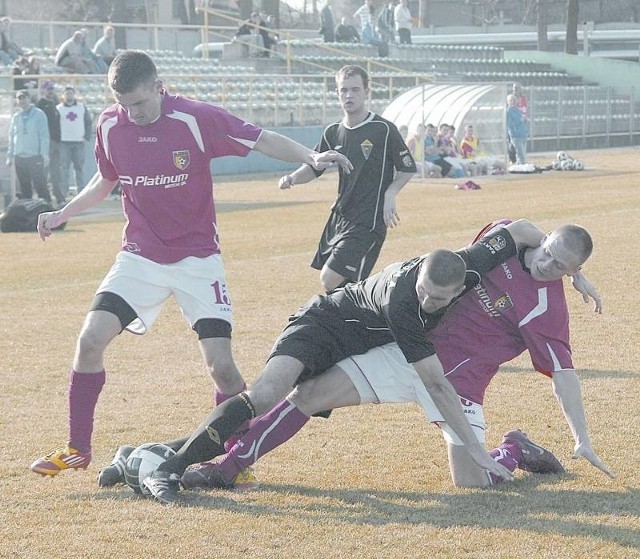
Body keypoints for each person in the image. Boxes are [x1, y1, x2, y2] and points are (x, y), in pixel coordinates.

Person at [29, 50, 351, 479]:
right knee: (90, 341)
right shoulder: (109, 124)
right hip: (140, 257)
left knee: (222, 367)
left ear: (158, 85)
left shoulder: (195, 118)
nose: (133, 113)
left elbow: (260, 137)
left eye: (140, 103)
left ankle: (235, 456)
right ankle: (77, 448)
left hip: (198, 260)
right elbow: (105, 179)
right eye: (124, 105)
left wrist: (311, 156)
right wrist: (60, 213)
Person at [174, 221, 612, 493]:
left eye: (560, 266)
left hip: (459, 384)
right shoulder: (505, 239)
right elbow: (522, 230)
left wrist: (583, 439)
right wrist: (576, 270)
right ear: (547, 239)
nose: (546, 265)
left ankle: (513, 451)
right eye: (548, 253)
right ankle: (226, 468)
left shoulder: (547, 307)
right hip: (407, 353)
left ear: (570, 272)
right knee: (309, 394)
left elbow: (564, 374)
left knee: (474, 480)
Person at [278, 65, 416, 293]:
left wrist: (390, 193)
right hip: (340, 216)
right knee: (342, 288)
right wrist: (292, 178)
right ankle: (362, 320)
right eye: (344, 90)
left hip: (369, 219)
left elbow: (407, 167)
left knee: (330, 278)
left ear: (366, 92)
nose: (349, 95)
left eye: (355, 89)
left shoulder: (383, 129)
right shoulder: (333, 132)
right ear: (337, 93)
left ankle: (368, 314)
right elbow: (314, 168)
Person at [6, 89, 50, 203]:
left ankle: (47, 209)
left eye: (24, 97)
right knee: (24, 188)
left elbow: (44, 135)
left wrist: (44, 154)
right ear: (16, 100)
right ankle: (28, 213)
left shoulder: (39, 114)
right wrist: (9, 156)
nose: (22, 100)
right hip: (19, 156)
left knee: (40, 184)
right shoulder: (16, 116)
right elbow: (12, 137)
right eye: (19, 98)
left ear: (29, 99)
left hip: (34, 156)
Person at [57, 86, 92, 196]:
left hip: (78, 141)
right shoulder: (58, 108)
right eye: (67, 93)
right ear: (63, 95)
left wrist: (86, 137)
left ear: (74, 94)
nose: (69, 95)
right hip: (64, 142)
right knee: (64, 168)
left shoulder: (81, 107)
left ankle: (81, 191)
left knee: (79, 168)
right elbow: (55, 125)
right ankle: (64, 191)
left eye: (71, 93)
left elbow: (88, 122)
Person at [35, 80, 65, 207]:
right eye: (48, 89)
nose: (50, 91)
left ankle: (58, 198)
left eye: (52, 89)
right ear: (43, 90)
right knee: (43, 172)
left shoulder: (54, 104)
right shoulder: (40, 105)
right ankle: (44, 197)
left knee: (55, 172)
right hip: (47, 143)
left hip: (56, 142)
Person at [507, 94, 528, 165]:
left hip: (522, 134)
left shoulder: (517, 110)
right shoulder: (508, 111)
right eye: (511, 100)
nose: (512, 102)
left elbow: (522, 120)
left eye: (514, 100)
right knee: (521, 156)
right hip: (516, 136)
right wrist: (520, 120)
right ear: (508, 102)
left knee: (522, 155)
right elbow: (510, 124)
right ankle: (522, 168)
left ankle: (520, 167)